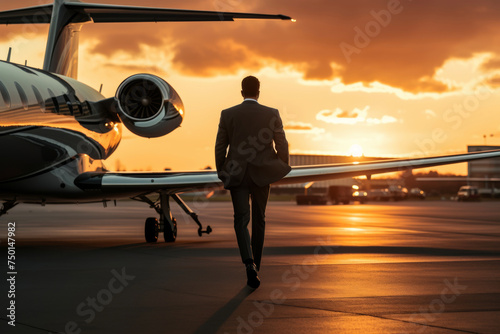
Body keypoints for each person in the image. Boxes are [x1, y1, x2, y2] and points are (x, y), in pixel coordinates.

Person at [215, 76, 291, 288]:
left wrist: (222, 170)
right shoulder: (271, 113)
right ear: (259, 92)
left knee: (241, 220)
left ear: (242, 92)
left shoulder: (227, 114)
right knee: (259, 219)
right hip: (262, 174)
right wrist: (280, 166)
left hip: (236, 174)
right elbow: (282, 143)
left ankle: (249, 264)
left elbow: (220, 146)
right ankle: (256, 264)